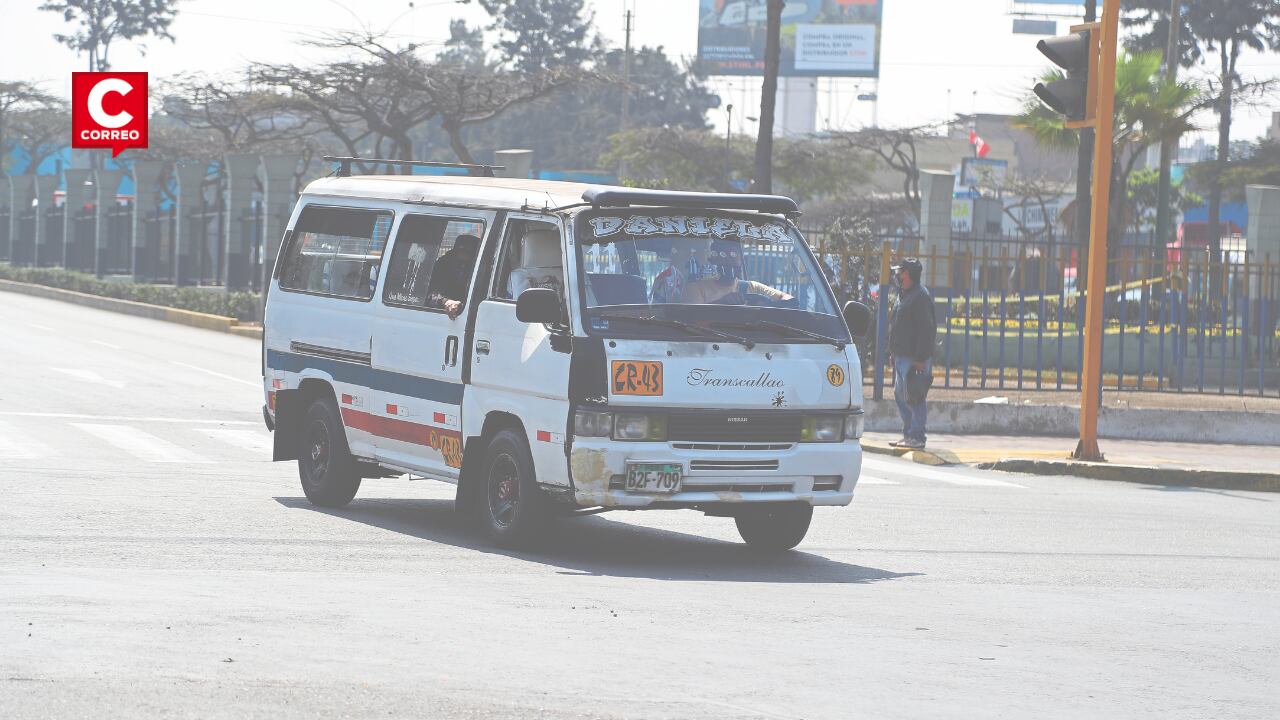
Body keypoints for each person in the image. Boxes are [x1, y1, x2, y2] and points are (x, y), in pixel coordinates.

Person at [888, 257, 936, 449]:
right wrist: (893, 352)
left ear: (907, 274)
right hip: (901, 356)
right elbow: (897, 325)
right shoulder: (904, 294)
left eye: (901, 271)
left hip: (914, 358)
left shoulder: (920, 297)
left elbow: (926, 330)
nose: (898, 275)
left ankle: (917, 436)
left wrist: (920, 358)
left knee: (915, 396)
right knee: (901, 395)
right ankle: (908, 434)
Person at [680, 240, 793, 305]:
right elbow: (692, 318)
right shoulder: (696, 288)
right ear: (713, 261)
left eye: (733, 257)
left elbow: (786, 298)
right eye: (723, 257)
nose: (729, 261)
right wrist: (721, 303)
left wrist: (772, 305)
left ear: (741, 261)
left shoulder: (752, 287)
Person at [426, 234, 480, 319]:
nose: (463, 253)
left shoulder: (481, 269)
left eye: (468, 251)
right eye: (461, 249)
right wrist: (445, 301)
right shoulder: (442, 265)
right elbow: (430, 293)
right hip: (441, 314)